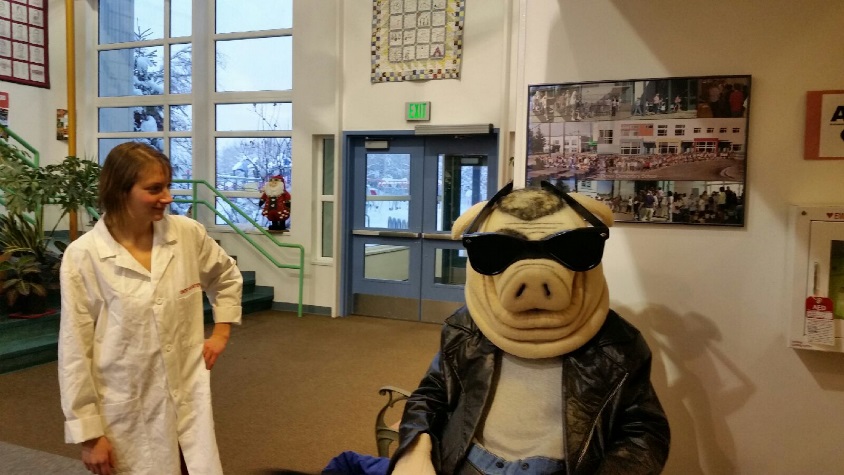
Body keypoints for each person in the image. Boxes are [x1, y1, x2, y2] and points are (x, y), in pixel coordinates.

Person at [58, 142, 243, 475]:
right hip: (127, 409)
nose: (167, 197)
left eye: (168, 186)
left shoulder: (186, 234)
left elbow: (226, 276)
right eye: (155, 189)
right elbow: (74, 351)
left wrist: (222, 331)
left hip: (187, 398)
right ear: (120, 191)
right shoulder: (84, 256)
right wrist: (89, 436)